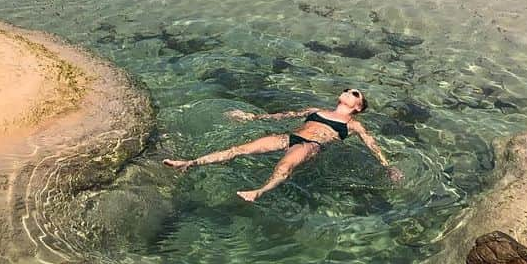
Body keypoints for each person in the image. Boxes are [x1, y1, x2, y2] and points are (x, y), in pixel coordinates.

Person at [162, 88, 402, 202]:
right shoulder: (316, 111)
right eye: (347, 90)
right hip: (290, 136)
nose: (348, 92)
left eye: (354, 93)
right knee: (240, 149)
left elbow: (371, 144)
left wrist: (387, 166)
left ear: (358, 107)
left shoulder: (353, 125)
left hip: (312, 146)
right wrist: (252, 117)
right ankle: (189, 163)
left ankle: (259, 192)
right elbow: (283, 115)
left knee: (284, 166)